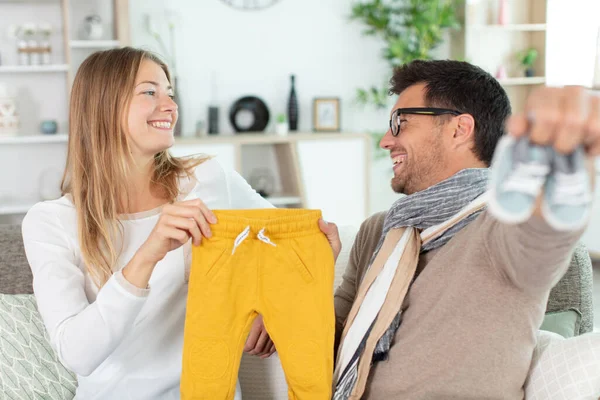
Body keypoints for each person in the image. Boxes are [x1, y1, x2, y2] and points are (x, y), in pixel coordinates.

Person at [317, 59, 599, 399]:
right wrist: (312, 279)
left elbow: (541, 235)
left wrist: (564, 169)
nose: (385, 141)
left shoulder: (499, 227)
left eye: (400, 123)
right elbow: (329, 346)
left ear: (459, 129)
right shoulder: (379, 230)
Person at [21, 47, 277, 399]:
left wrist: (268, 304)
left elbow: (290, 236)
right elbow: (77, 354)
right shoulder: (52, 222)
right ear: (104, 106)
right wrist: (148, 255)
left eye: (170, 94)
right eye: (149, 92)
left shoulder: (207, 179)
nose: (170, 107)